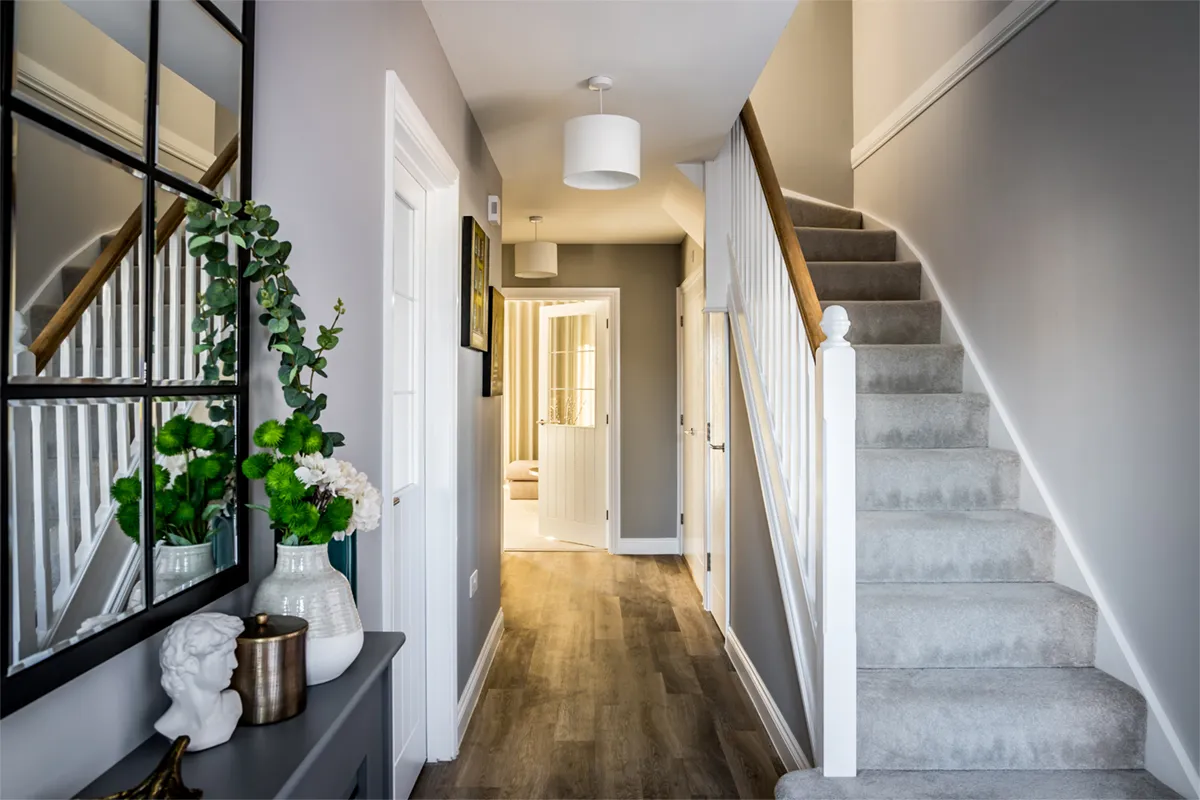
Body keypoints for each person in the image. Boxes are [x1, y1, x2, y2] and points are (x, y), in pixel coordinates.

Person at [155, 613, 244, 751]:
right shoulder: (168, 726)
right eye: (224, 656)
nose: (234, 664)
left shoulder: (233, 705)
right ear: (191, 664)